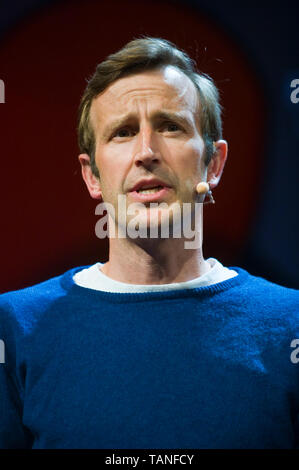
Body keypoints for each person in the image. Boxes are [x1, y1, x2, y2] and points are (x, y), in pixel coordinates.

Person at [0, 37, 298, 449]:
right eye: (123, 133)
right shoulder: (15, 326)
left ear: (213, 164)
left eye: (170, 126)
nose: (146, 152)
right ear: (92, 176)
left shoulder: (290, 323)